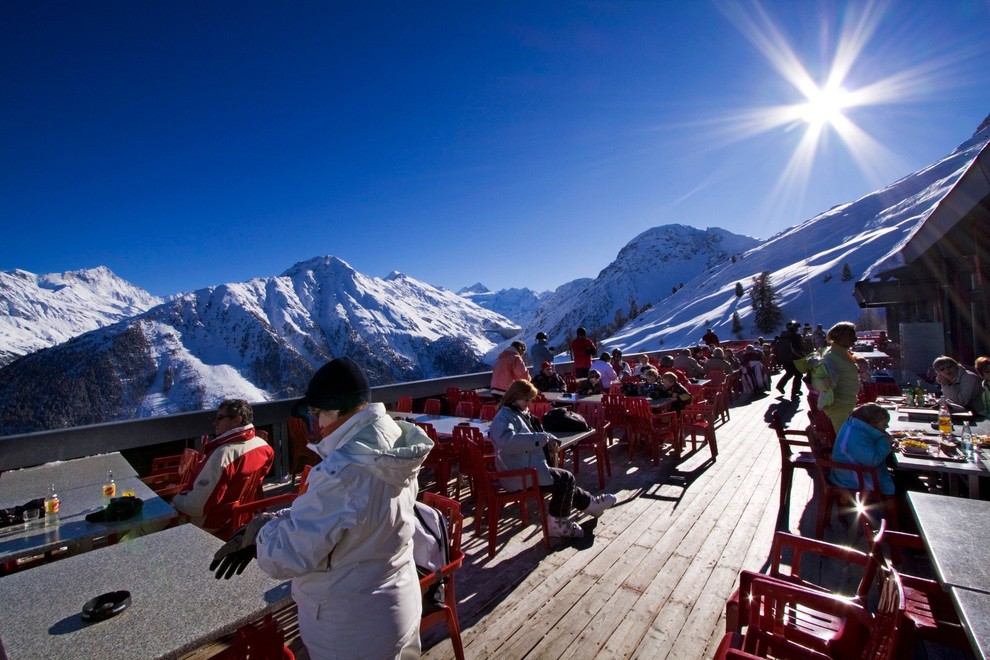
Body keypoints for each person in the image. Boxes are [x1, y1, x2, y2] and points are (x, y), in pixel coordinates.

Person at [216, 357, 434, 659]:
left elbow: (290, 556)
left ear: (333, 413)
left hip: (351, 629)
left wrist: (260, 534)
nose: (314, 423)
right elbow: (350, 522)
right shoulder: (391, 449)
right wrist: (272, 522)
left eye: (315, 413)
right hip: (397, 603)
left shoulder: (343, 473)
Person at [489, 380, 615, 538]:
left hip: (526, 467)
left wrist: (550, 440)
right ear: (515, 397)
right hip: (519, 474)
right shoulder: (505, 417)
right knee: (565, 479)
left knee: (562, 481)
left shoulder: (517, 413)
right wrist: (539, 439)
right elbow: (506, 441)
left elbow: (540, 433)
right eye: (526, 400)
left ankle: (590, 504)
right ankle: (558, 524)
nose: (528, 404)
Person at [172, 399, 274, 533]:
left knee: (153, 523)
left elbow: (197, 507)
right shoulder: (263, 446)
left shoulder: (222, 455)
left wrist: (174, 498)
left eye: (220, 418)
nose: (215, 423)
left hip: (212, 523)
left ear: (237, 420)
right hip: (241, 516)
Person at [829, 403, 894, 496]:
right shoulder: (856, 435)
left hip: (848, 473)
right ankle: (887, 507)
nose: (887, 427)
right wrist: (885, 442)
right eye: (884, 424)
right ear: (872, 423)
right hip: (852, 478)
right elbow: (872, 461)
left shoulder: (856, 427)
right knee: (905, 484)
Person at [813, 322, 861, 433]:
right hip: (839, 405)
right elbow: (817, 378)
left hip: (848, 403)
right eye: (852, 335)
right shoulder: (830, 356)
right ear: (840, 337)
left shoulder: (843, 354)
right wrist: (823, 383)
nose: (855, 339)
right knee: (845, 440)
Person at [774, 321, 806, 398]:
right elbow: (796, 349)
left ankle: (780, 385)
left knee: (789, 373)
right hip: (793, 358)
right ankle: (795, 391)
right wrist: (803, 356)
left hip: (783, 358)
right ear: (794, 329)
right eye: (797, 328)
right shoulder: (795, 337)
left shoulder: (782, 336)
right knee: (798, 375)